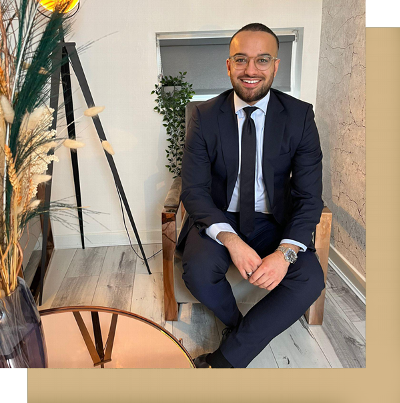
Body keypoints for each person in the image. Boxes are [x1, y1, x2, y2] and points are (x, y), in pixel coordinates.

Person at [177, 23, 325, 368]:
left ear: (276, 66)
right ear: (229, 65)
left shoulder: (300, 116)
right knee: (198, 271)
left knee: (310, 278)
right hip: (221, 217)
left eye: (262, 60)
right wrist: (230, 239)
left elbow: (309, 195)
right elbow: (194, 190)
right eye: (241, 60)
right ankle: (240, 329)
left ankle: (227, 359)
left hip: (275, 221)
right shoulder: (204, 115)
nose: (251, 70)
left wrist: (285, 252)